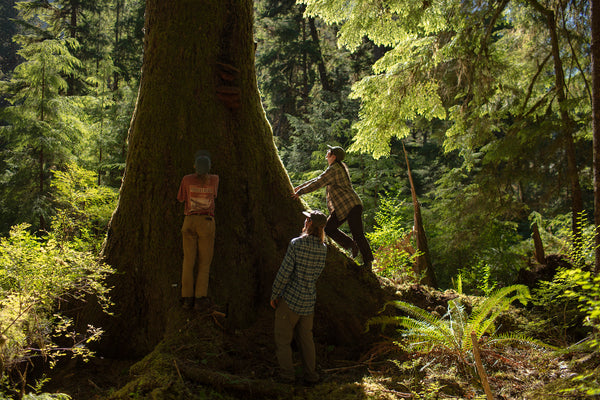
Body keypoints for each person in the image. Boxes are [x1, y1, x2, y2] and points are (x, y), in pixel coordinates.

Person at [292, 145, 374, 270]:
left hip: (351, 206)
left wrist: (300, 192)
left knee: (357, 234)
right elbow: (319, 179)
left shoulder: (334, 169)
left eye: (329, 152)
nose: (327, 153)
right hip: (343, 207)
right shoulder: (335, 168)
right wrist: (300, 187)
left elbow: (319, 182)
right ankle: (351, 245)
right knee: (329, 229)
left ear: (333, 156)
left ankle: (368, 263)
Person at [270, 210, 328, 385]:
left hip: (290, 300)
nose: (305, 220)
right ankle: (311, 376)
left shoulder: (297, 244)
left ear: (309, 223)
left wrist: (275, 294)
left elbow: (285, 272)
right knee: (306, 340)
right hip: (309, 301)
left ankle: (287, 375)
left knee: (282, 339)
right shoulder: (323, 249)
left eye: (307, 218)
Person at [177, 150, 219, 311]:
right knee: (204, 262)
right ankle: (200, 298)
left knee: (188, 261)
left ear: (194, 166)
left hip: (188, 222)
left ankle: (187, 298)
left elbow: (180, 198)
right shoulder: (214, 179)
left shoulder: (186, 179)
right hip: (206, 223)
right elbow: (214, 194)